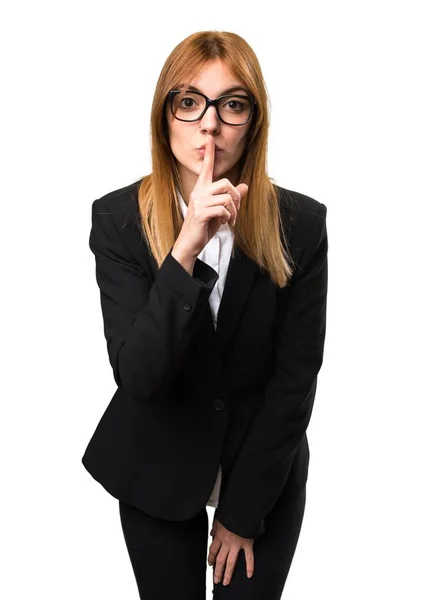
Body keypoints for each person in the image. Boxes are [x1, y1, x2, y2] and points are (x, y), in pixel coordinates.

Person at [81, 30, 328, 599]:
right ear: (164, 115)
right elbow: (138, 373)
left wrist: (241, 514)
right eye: (189, 102)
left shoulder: (301, 223)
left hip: (261, 465)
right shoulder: (117, 219)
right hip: (156, 459)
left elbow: (296, 380)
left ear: (254, 122)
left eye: (232, 105)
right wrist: (185, 250)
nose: (209, 124)